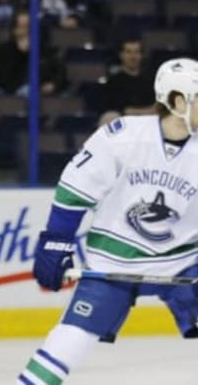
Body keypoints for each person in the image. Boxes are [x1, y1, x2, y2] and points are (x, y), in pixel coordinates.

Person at [17, 57, 198, 385]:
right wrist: (56, 242)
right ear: (177, 101)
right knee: (72, 338)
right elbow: (76, 189)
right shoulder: (124, 136)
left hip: (185, 260)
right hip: (116, 259)